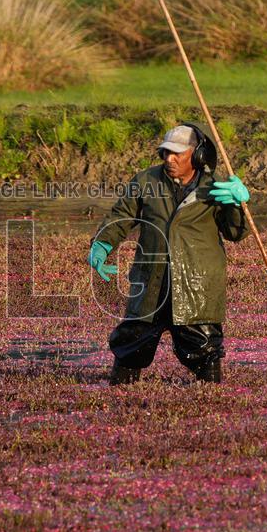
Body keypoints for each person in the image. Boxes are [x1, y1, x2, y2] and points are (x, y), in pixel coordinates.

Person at [87, 123, 251, 385]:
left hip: (197, 283)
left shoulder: (215, 188)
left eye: (177, 154)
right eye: (165, 152)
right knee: (131, 342)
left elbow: (236, 233)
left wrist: (236, 205)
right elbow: (121, 216)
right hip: (152, 279)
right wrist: (102, 245)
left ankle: (211, 394)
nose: (169, 159)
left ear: (196, 155)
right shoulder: (146, 181)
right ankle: (120, 389)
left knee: (204, 346)